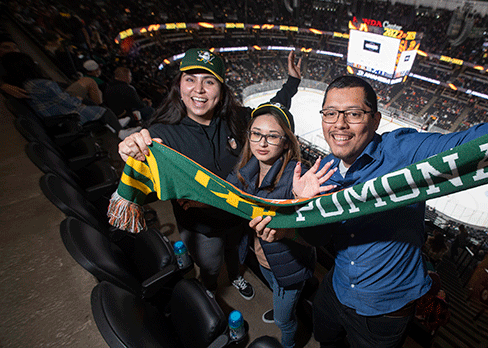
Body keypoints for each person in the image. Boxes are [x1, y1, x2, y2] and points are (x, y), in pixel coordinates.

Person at [249, 75, 488, 347]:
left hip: (386, 309)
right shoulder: (324, 168)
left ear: (376, 119)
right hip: (337, 287)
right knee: (324, 337)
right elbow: (318, 237)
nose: (338, 124)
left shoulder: (404, 151)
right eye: (330, 113)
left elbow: (475, 142)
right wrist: (305, 205)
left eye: (353, 114)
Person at [117, 48, 303, 300]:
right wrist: (132, 151)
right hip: (201, 227)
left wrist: (292, 82)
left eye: (209, 81)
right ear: (179, 86)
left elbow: (273, 112)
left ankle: (236, 276)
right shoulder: (162, 133)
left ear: (221, 89)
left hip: (238, 216)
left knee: (236, 253)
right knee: (211, 265)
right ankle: (210, 289)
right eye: (190, 79)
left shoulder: (238, 118)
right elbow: (147, 180)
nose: (199, 90)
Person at [227, 103, 336, 348]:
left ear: (287, 142)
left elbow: (318, 236)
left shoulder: (298, 177)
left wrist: (301, 203)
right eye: (256, 133)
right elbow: (218, 190)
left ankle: (286, 333)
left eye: (273, 136)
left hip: (290, 267)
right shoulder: (247, 170)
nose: (262, 143)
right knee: (276, 291)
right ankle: (281, 305)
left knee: (284, 320)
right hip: (264, 258)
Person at [0, 52, 136, 139]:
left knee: (91, 103)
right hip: (64, 117)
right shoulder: (42, 84)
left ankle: (114, 124)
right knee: (103, 110)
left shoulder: (23, 84)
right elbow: (68, 103)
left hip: (54, 115)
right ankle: (119, 132)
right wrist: (78, 99)